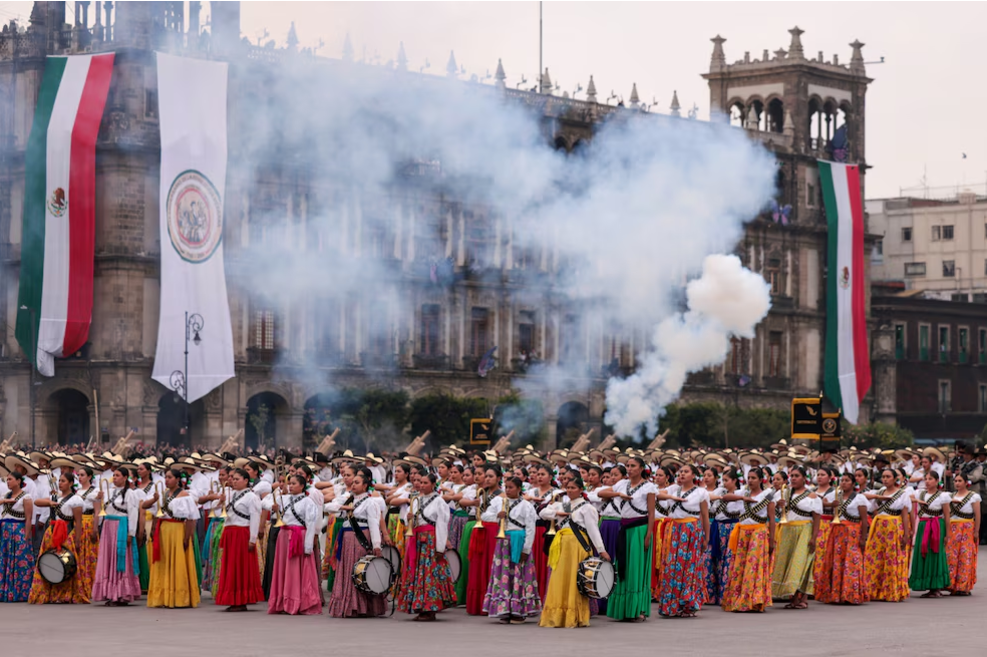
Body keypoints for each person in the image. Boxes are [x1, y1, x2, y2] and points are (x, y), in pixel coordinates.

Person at [538, 474, 610, 628]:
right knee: (560, 578)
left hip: (578, 545)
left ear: (580, 489)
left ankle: (575, 615)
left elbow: (593, 530)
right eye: (568, 487)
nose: (569, 490)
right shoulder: (564, 505)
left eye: (573, 488)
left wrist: (601, 550)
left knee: (575, 580)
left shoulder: (587, 507)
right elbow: (542, 512)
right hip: (562, 544)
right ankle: (558, 615)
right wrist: (557, 513)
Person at [601, 456, 655, 621]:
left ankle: (637, 608)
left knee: (636, 568)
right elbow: (601, 493)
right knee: (622, 567)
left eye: (633, 466)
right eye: (628, 466)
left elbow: (651, 513)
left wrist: (648, 535)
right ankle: (623, 608)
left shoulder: (649, 487)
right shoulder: (621, 484)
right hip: (623, 529)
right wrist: (617, 493)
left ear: (641, 468)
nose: (630, 468)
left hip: (640, 529)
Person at [325, 470, 385, 618]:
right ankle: (349, 605)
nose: (353, 485)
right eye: (352, 483)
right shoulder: (347, 499)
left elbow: (373, 524)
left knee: (359, 570)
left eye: (357, 483)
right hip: (346, 537)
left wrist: (376, 545)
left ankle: (361, 606)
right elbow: (327, 507)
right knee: (347, 569)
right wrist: (343, 508)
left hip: (360, 537)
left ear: (365, 486)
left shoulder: (371, 502)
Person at [398, 472, 457, 621]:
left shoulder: (439, 501)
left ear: (432, 484)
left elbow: (442, 525)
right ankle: (418, 606)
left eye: (424, 483)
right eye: (419, 482)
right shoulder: (416, 499)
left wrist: (440, 547)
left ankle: (430, 609)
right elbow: (406, 519)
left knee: (429, 574)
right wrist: (408, 518)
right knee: (417, 573)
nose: (421, 485)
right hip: (416, 540)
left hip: (431, 540)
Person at [482, 476, 541, 623]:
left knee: (519, 574)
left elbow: (530, 529)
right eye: (506, 487)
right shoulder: (499, 502)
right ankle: (505, 609)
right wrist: (497, 516)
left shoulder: (527, 506)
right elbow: (484, 515)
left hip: (519, 542)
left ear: (519, 488)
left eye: (511, 487)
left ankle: (519, 611)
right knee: (503, 574)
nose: (508, 490)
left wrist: (526, 549)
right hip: (503, 542)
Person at [657, 463, 710, 618]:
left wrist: (706, 537)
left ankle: (688, 603)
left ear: (693, 475)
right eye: (680, 472)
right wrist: (671, 496)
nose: (682, 474)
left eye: (686, 472)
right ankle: (670, 604)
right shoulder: (673, 489)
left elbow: (705, 516)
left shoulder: (701, 492)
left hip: (691, 529)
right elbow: (657, 495)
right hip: (674, 529)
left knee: (689, 565)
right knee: (671, 566)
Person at [721, 467, 775, 613]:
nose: (750, 480)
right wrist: (742, 498)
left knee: (753, 566)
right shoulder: (742, 492)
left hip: (759, 532)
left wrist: (772, 540)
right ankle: (739, 598)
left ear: (761, 480)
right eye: (749, 478)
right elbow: (725, 498)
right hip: (743, 532)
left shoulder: (767, 495)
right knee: (740, 566)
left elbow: (771, 518)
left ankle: (753, 600)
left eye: (753, 478)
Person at [28, 473, 87, 604]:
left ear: (71, 483)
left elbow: (78, 522)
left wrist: (77, 539)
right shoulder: (54, 497)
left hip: (67, 533)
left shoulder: (75, 499)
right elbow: (37, 502)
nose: (60, 483)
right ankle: (51, 593)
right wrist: (49, 502)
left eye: (63, 481)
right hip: (52, 532)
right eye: (59, 481)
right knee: (49, 562)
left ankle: (66, 593)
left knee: (66, 563)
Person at [146, 469, 201, 609]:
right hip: (164, 530)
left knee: (178, 561)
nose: (167, 480)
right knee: (163, 562)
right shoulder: (163, 495)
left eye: (170, 477)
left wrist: (187, 537)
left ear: (177, 479)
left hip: (178, 530)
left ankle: (179, 597)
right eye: (166, 477)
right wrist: (153, 529)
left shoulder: (184, 495)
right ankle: (163, 596)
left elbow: (191, 518)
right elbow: (148, 509)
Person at [268, 474, 321, 615]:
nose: (290, 486)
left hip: (299, 536)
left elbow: (311, 524)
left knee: (296, 569)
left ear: (302, 486)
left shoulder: (308, 502)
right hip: (284, 535)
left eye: (294, 483)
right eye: (289, 483)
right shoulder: (283, 498)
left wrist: (308, 546)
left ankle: (298, 601)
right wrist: (272, 506)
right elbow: (264, 503)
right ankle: (282, 601)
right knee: (283, 568)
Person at [815, 473, 869, 605]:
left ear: (852, 483)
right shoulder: (835, 495)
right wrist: (830, 504)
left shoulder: (859, 498)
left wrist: (863, 538)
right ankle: (835, 593)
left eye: (847, 480)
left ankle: (850, 593)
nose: (844, 483)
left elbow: (864, 520)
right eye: (842, 480)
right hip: (837, 532)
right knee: (836, 562)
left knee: (851, 562)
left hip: (852, 532)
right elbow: (822, 501)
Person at [772, 466, 821, 609]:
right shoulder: (784, 493)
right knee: (788, 562)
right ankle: (793, 597)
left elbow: (816, 517)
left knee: (801, 563)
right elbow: (776, 511)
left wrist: (814, 537)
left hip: (804, 529)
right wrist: (779, 506)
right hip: (787, 530)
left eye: (796, 476)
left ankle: (803, 598)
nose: (793, 478)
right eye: (791, 475)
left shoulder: (812, 496)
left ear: (804, 478)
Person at [215, 468, 264, 611]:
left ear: (246, 481)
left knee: (240, 567)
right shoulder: (229, 494)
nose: (233, 481)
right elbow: (216, 510)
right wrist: (220, 501)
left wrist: (252, 539)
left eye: (237, 479)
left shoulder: (251, 497)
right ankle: (233, 599)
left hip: (242, 533)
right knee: (230, 567)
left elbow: (255, 517)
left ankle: (241, 600)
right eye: (233, 479)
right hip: (230, 532)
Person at [92, 466, 141, 606]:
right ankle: (110, 593)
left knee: (120, 559)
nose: (114, 478)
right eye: (113, 475)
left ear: (125, 478)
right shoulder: (108, 492)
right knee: (108, 559)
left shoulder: (130, 493)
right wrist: (98, 499)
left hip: (121, 526)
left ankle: (121, 594)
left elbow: (133, 513)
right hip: (108, 526)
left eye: (118, 475)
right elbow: (99, 507)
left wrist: (131, 533)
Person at [863, 468, 912, 602]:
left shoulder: (902, 494)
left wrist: (906, 534)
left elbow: (905, 515)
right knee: (875, 558)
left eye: (888, 477)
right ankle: (874, 590)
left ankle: (891, 590)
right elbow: (863, 498)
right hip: (879, 527)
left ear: (895, 479)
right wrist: (877, 497)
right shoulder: (878, 492)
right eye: (883, 477)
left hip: (894, 527)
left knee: (892, 558)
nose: (885, 479)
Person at [465, 465, 503, 616]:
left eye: (491, 476)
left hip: (493, 530)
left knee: (490, 564)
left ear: (499, 479)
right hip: (480, 530)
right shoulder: (482, 493)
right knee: (478, 564)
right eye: (486, 476)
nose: (487, 479)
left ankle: (492, 602)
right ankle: (477, 603)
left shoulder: (502, 496)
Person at [909, 472, 951, 598]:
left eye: (931, 479)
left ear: (937, 481)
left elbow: (947, 515)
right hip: (923, 525)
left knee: (936, 553)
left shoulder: (943, 496)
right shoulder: (919, 493)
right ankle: (926, 584)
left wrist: (947, 534)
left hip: (937, 525)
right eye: (926, 479)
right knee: (923, 552)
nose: (927, 481)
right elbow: (906, 497)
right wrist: (917, 500)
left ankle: (936, 586)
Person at [706, 467, 743, 605]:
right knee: (714, 561)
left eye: (727, 480)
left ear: (734, 480)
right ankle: (712, 595)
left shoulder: (741, 493)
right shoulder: (720, 491)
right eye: (723, 480)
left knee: (730, 561)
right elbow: (707, 497)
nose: (724, 483)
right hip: (718, 528)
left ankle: (727, 595)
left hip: (733, 529)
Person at [0, 471, 34, 602]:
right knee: (5, 560)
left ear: (19, 481)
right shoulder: (6, 495)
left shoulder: (26, 497)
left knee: (19, 560)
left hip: (18, 530)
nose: (8, 482)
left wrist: (26, 536)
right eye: (7, 479)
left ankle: (20, 592)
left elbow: (28, 518)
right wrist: (4, 500)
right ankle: (5, 590)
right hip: (5, 531)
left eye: (10, 479)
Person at [946, 471, 980, 596]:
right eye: (955, 481)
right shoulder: (950, 496)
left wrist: (976, 531)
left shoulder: (973, 496)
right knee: (952, 556)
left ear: (966, 483)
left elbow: (977, 514)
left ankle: (963, 586)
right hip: (953, 527)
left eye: (960, 481)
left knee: (965, 556)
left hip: (967, 527)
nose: (957, 483)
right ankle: (951, 584)